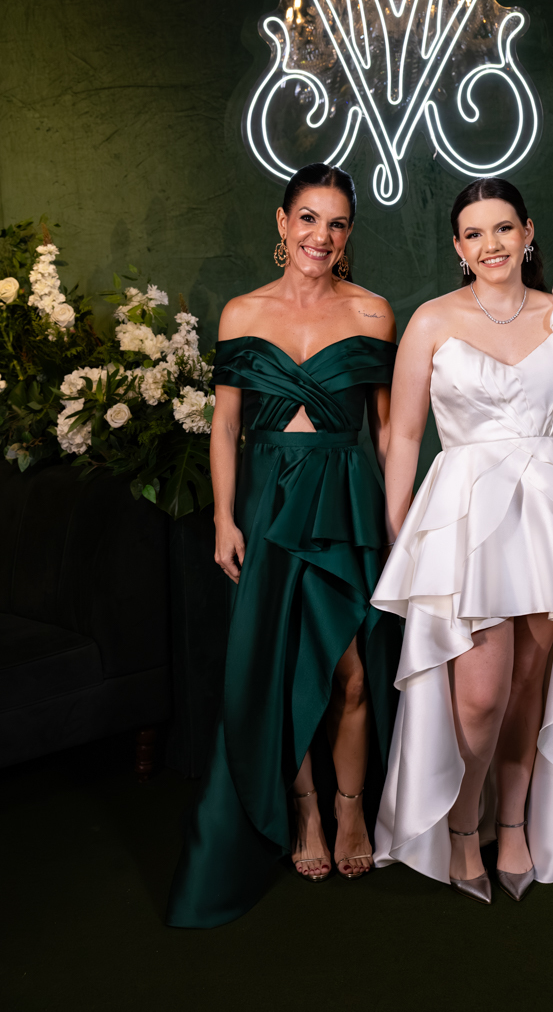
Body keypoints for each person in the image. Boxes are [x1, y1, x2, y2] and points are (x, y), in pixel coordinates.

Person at [372, 177, 553, 904]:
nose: (490, 244)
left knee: (532, 680)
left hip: (551, 517)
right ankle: (462, 824)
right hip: (467, 520)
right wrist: (401, 530)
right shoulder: (431, 320)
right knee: (479, 693)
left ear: (527, 233)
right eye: (474, 233)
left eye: (503, 228)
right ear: (458, 247)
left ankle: (516, 821)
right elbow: (404, 434)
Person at [167, 163, 401, 928]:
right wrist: (223, 518)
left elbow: (389, 431)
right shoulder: (242, 312)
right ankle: (304, 810)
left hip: (344, 501)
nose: (320, 237)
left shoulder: (372, 312)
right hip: (266, 500)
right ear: (282, 222)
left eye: (336, 223)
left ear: (349, 233)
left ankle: (351, 806)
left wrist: (401, 520)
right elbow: (225, 427)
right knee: (279, 662)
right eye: (308, 218)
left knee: (353, 675)